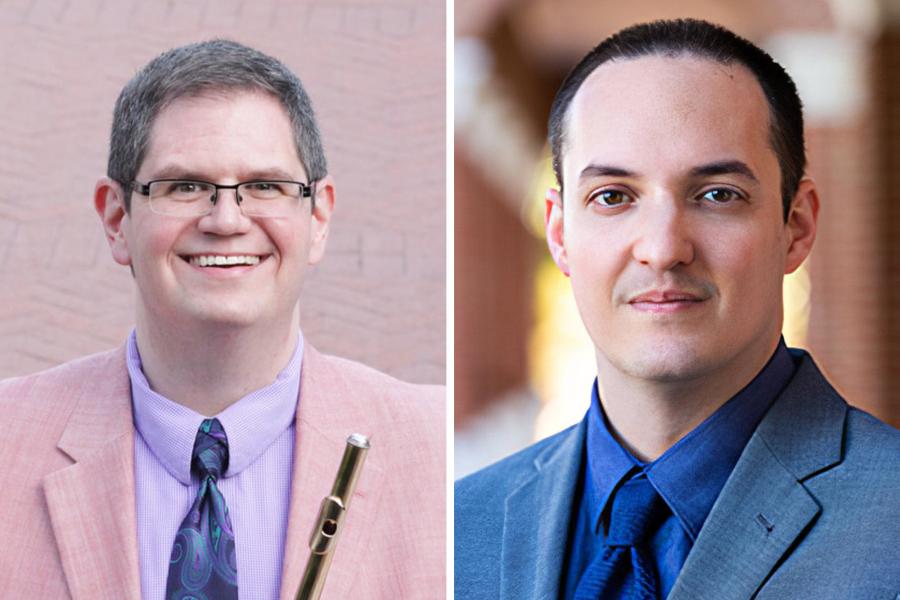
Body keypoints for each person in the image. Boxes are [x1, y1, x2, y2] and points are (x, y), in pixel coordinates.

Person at [455, 19, 899, 599]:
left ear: (796, 226)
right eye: (613, 197)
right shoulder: (462, 528)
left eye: (717, 194)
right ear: (560, 234)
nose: (664, 248)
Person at [0, 40, 444, 599]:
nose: (227, 219)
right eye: (185, 186)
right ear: (117, 219)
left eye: (265, 185)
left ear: (319, 216)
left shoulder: (436, 448)